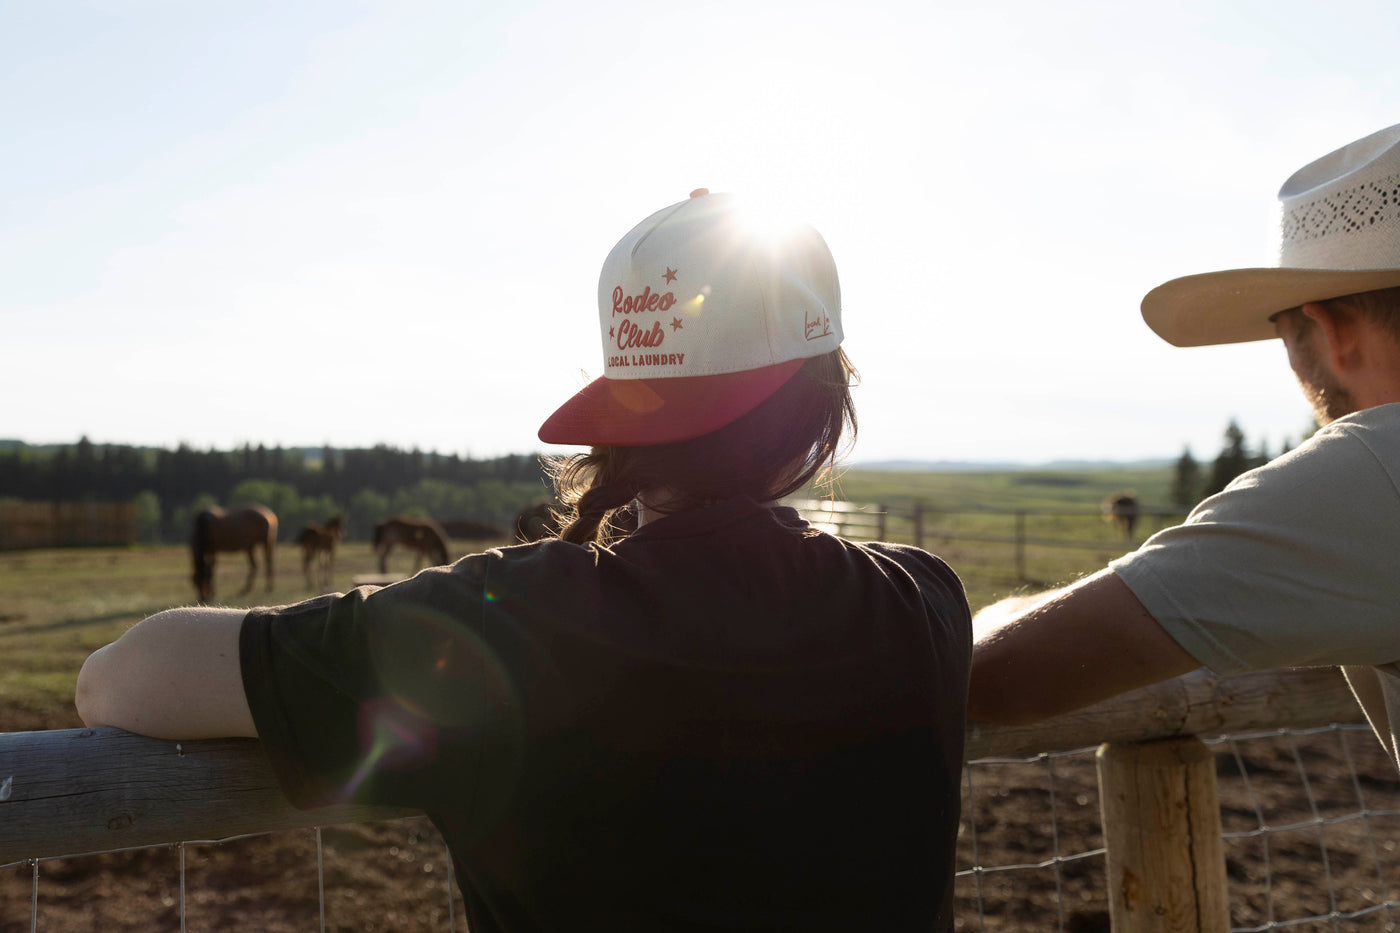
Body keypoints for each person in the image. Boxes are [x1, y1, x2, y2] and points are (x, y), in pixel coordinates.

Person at [76, 189, 973, 931]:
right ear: (823, 409)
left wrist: (388, 609)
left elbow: (117, 681)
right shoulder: (924, 607)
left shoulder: (510, 622)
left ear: (623, 422)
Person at [968, 123, 1400, 770]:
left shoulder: (1372, 469)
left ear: (1331, 329)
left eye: (1285, 336)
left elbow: (1000, 671)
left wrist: (992, 612)